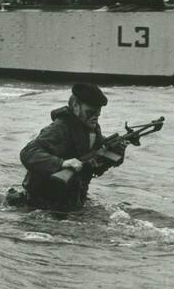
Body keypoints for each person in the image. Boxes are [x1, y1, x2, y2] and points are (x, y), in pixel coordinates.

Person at [14, 83, 121, 211]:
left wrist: (118, 150)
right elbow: (28, 153)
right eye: (90, 112)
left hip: (71, 199)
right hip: (42, 201)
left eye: (98, 113)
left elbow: (96, 168)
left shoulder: (92, 130)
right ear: (75, 106)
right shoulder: (60, 127)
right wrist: (62, 163)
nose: (95, 117)